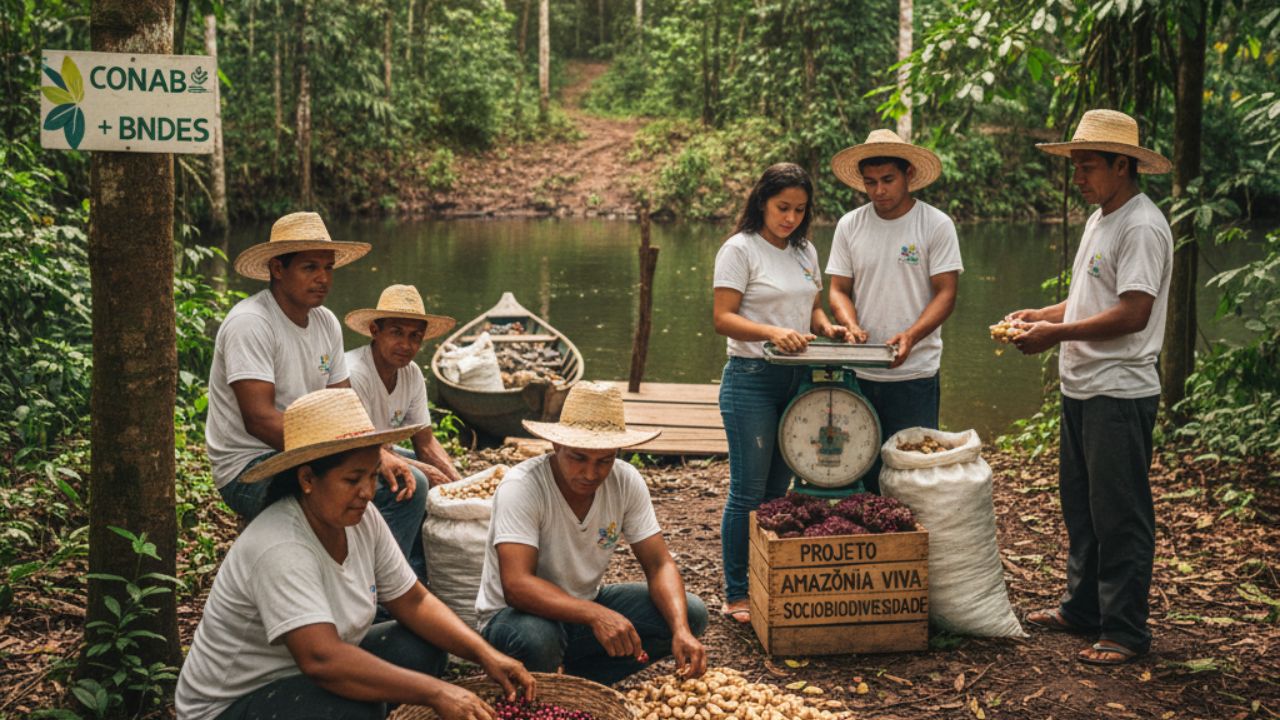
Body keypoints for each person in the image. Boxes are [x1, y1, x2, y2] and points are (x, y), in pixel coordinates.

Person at [177, 388, 535, 720]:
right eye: (352, 480)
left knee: (420, 646)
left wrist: (484, 653)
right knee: (357, 708)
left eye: (372, 476)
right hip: (232, 705)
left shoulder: (361, 519)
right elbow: (322, 660)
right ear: (307, 479)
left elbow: (413, 601)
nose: (367, 492)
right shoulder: (280, 546)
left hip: (299, 676)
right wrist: (437, 692)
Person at [1007, 109, 1173, 666]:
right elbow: (1090, 297)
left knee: (1119, 512)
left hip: (1118, 390)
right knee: (1082, 508)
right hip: (1082, 387)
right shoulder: (1102, 218)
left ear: (1122, 165)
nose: (1077, 177)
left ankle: (1124, 631)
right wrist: (1042, 315)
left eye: (1088, 166)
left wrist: (1054, 335)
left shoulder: (1141, 225)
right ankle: (1082, 609)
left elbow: (1133, 312)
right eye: (1075, 165)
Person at [204, 212, 419, 561]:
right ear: (278, 268)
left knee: (412, 480)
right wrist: (351, 456)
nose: (323, 278)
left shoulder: (326, 322)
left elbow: (345, 405)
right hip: (249, 464)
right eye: (310, 267)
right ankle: (356, 578)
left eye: (328, 268)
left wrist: (375, 451)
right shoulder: (251, 322)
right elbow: (259, 420)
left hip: (312, 450)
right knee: (365, 485)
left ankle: (384, 584)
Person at [475, 382, 708, 686]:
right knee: (536, 638)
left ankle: (578, 683)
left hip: (582, 608)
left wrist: (680, 629)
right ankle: (539, 678)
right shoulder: (523, 487)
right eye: (579, 458)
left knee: (691, 613)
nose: (590, 473)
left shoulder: (626, 481)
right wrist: (596, 615)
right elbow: (517, 586)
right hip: (515, 617)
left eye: (604, 461)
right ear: (556, 446)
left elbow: (659, 564)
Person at [711, 163, 847, 625]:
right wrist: (772, 332)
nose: (790, 218)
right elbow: (723, 318)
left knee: (777, 491)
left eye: (799, 210)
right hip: (751, 377)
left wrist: (830, 328)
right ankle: (736, 592)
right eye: (782, 207)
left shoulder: (804, 250)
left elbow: (812, 308)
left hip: (799, 381)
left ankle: (765, 578)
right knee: (747, 491)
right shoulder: (739, 249)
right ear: (762, 202)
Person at [825, 129, 963, 495]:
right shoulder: (850, 225)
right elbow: (838, 290)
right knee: (858, 468)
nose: (879, 191)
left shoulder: (935, 224)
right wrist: (851, 324)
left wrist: (911, 336)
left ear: (908, 175)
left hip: (915, 372)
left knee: (911, 474)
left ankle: (911, 531)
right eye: (870, 182)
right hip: (859, 371)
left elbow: (946, 293)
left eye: (888, 180)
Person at [345, 284, 463, 579]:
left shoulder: (411, 374)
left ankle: (417, 573)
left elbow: (426, 443)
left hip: (378, 452)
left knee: (442, 484)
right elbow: (357, 444)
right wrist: (426, 471)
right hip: (345, 454)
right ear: (375, 331)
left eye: (415, 337)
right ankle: (387, 580)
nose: (406, 345)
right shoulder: (356, 373)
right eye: (397, 333)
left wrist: (458, 483)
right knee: (417, 482)